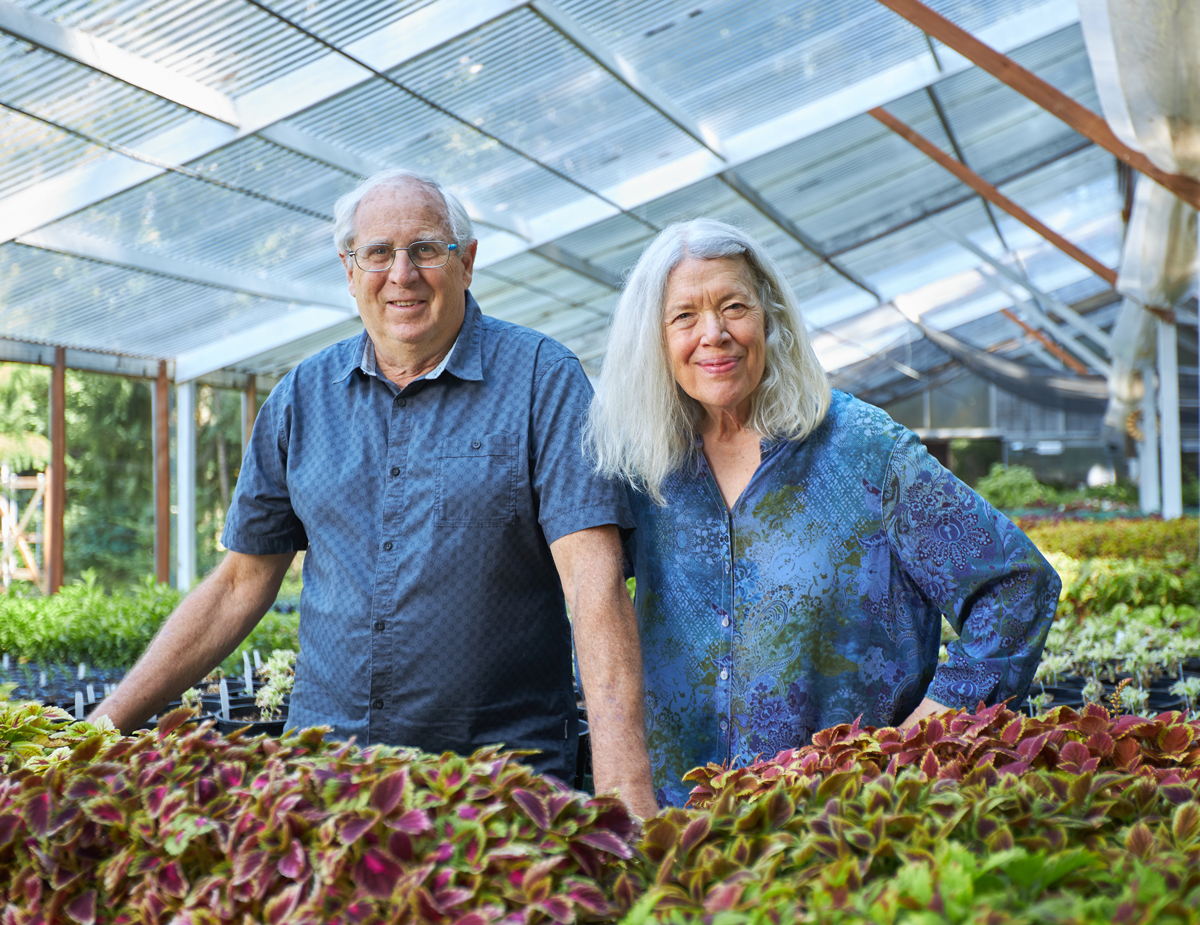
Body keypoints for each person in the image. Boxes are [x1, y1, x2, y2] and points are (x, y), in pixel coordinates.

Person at [95, 168, 656, 817]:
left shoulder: (542, 380)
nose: (402, 274)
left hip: (497, 782)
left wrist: (625, 802)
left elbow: (594, 584)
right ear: (349, 268)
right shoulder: (301, 399)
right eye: (378, 253)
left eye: (424, 249)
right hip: (330, 780)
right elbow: (237, 585)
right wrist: (101, 728)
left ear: (466, 261)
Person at [584, 218, 1060, 807]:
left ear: (770, 318)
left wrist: (926, 733)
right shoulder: (642, 467)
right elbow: (588, 605)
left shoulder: (862, 448)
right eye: (684, 316)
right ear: (654, 340)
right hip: (688, 833)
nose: (714, 334)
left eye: (734, 306)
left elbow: (1016, 589)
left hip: (844, 827)